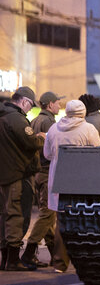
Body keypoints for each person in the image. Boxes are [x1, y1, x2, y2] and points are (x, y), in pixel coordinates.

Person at [43, 99, 100, 273]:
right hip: (82, 180)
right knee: (85, 219)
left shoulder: (53, 129)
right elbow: (98, 153)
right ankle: (86, 262)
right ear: (83, 113)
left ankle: (59, 263)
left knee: (61, 221)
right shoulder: (89, 129)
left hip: (58, 180)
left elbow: (47, 154)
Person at [0, 86, 46, 271]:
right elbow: (30, 142)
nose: (30, 109)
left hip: (4, 173)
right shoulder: (16, 119)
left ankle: (5, 258)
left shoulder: (3, 116)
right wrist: (41, 137)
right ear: (25, 102)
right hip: (16, 174)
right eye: (30, 105)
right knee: (16, 215)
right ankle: (12, 260)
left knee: (4, 215)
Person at [21, 91, 64, 268]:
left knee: (46, 213)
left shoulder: (35, 120)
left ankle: (53, 252)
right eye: (57, 103)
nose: (59, 106)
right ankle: (29, 251)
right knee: (48, 213)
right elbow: (50, 149)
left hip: (38, 172)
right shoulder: (49, 122)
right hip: (47, 172)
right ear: (49, 105)